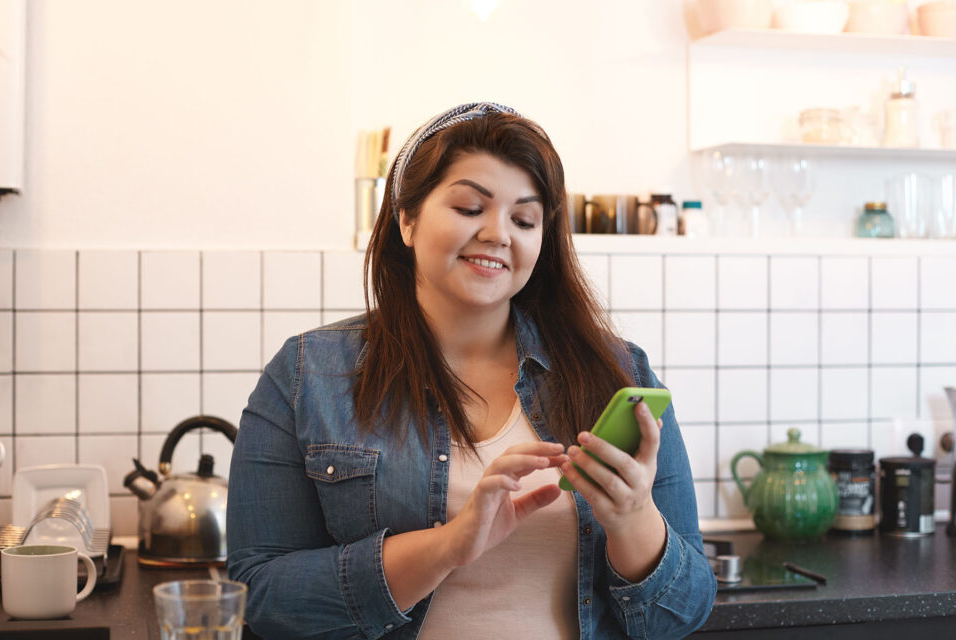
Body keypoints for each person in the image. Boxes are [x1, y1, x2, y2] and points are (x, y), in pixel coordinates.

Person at [226, 102, 716, 640]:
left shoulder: (616, 371)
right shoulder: (307, 375)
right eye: (468, 208)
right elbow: (261, 596)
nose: (497, 234)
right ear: (406, 220)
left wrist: (633, 518)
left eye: (524, 219)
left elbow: (684, 614)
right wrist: (450, 544)